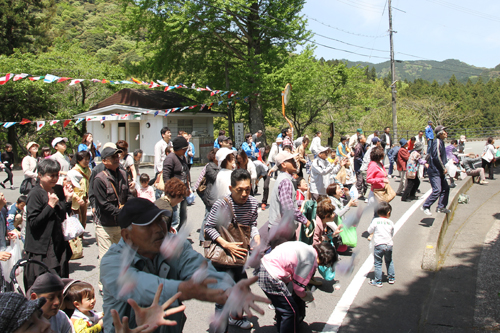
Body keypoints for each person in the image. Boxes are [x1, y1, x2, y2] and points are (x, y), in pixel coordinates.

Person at [100, 197, 268, 333]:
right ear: (126, 235)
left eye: (160, 221)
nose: (159, 229)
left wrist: (228, 287)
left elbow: (200, 268)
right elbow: (142, 287)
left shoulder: (171, 244)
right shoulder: (112, 262)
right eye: (148, 225)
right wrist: (185, 289)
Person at [204, 169, 259, 330]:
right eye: (239, 190)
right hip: (221, 258)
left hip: (239, 257)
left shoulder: (253, 203)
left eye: (247, 190)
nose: (244, 194)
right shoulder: (222, 204)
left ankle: (235, 317)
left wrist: (256, 237)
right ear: (230, 188)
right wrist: (226, 244)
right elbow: (209, 227)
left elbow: (252, 224)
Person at [254, 241, 338, 333]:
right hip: (270, 275)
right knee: (291, 312)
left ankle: (280, 328)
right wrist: (306, 296)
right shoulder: (310, 261)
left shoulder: (307, 248)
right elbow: (298, 288)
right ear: (326, 260)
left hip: (262, 266)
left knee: (282, 307)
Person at [24, 159, 74, 290]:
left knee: (61, 287)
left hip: (57, 246)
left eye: (56, 175)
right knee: (45, 291)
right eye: (50, 175)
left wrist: (67, 200)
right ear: (40, 175)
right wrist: (50, 206)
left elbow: (61, 216)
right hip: (42, 251)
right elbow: (34, 223)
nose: (54, 178)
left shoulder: (57, 190)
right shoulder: (35, 194)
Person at [93, 146, 133, 292]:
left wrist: (129, 208)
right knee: (106, 257)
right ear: (104, 161)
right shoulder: (99, 179)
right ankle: (104, 286)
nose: (117, 159)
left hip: (121, 224)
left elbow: (128, 194)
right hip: (105, 224)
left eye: (118, 156)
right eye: (113, 157)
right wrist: (119, 212)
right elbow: (102, 204)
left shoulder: (123, 173)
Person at [267, 151, 310, 244]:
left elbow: (287, 201)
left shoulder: (283, 178)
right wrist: (305, 221)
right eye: (291, 160)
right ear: (283, 164)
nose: (295, 162)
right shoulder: (286, 181)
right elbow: (288, 208)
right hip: (281, 230)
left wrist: (302, 202)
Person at [421, 125, 451, 216]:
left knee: (445, 188)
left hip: (439, 171)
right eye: (444, 131)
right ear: (440, 133)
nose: (446, 133)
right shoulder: (437, 142)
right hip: (435, 171)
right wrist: (443, 168)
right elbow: (436, 156)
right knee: (437, 190)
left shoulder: (441, 142)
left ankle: (441, 207)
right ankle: (425, 206)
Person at [163, 136, 191, 231]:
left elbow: (186, 172)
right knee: (175, 218)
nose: (185, 151)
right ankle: (173, 240)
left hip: (183, 192)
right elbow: (166, 177)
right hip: (174, 194)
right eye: (183, 149)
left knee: (183, 216)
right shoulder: (170, 158)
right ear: (177, 149)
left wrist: (188, 187)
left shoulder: (183, 157)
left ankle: (180, 237)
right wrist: (171, 192)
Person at [194, 149, 219, 243]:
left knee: (211, 214)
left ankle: (210, 235)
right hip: (206, 193)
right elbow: (216, 178)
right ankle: (202, 238)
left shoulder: (217, 165)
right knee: (208, 215)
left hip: (211, 193)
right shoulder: (210, 166)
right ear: (214, 157)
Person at [367, 201, 395, 287]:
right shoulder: (390, 222)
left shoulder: (376, 221)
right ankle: (391, 278)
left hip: (379, 245)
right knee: (389, 261)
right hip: (389, 244)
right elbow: (392, 233)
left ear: (378, 212)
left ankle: (378, 281)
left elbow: (369, 230)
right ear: (388, 213)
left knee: (378, 263)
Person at [67, 151, 91, 231]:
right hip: (75, 199)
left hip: (84, 197)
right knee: (76, 219)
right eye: (85, 160)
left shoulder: (88, 170)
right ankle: (77, 240)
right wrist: (77, 198)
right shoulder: (73, 171)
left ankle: (81, 237)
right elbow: (69, 188)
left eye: (88, 159)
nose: (87, 161)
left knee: (83, 219)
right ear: (79, 160)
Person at [154, 127, 172, 198]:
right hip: (162, 169)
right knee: (161, 187)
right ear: (163, 135)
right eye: (168, 133)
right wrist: (160, 170)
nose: (170, 134)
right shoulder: (159, 144)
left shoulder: (171, 143)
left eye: (170, 132)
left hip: (169, 168)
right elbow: (157, 159)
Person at [354, 135, 367, 200]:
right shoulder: (358, 146)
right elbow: (356, 157)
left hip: (362, 166)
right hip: (359, 166)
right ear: (360, 139)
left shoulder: (364, 145)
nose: (365, 138)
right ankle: (357, 193)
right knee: (360, 180)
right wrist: (363, 162)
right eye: (364, 137)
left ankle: (364, 193)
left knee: (364, 180)